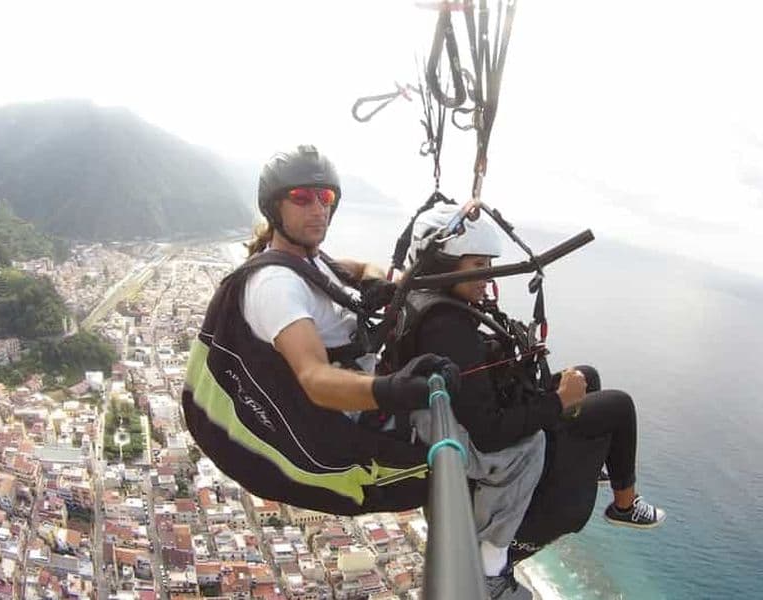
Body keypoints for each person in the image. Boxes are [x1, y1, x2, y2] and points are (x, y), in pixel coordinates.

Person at [390, 203, 665, 588]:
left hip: (476, 408)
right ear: (442, 264)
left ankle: (596, 461)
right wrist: (557, 402)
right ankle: (624, 505)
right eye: (477, 266)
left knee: (587, 375)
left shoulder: (421, 298)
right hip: (487, 442)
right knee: (619, 405)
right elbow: (490, 432)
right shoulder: (446, 328)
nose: (488, 276)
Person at [182, 144, 457, 515]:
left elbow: (359, 268)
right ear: (274, 207)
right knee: (475, 446)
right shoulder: (277, 286)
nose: (318, 209)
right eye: (301, 198)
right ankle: (490, 560)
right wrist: (393, 390)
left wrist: (375, 281)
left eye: (324, 197)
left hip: (357, 389)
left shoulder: (311, 262)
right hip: (336, 422)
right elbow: (315, 378)